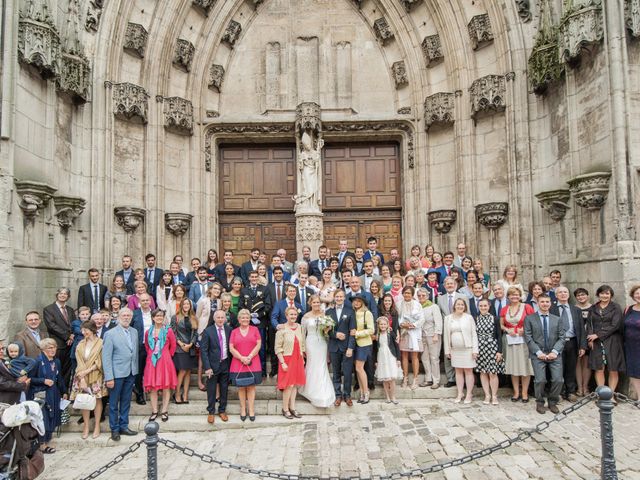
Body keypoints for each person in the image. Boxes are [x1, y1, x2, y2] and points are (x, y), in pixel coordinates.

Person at [102, 307, 139, 441]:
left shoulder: (134, 332)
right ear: (118, 317)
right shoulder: (110, 334)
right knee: (113, 403)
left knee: (126, 401)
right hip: (116, 374)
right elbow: (106, 357)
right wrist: (109, 377)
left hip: (130, 371)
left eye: (128, 315)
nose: (126, 317)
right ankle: (114, 429)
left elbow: (133, 352)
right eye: (124, 315)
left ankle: (124, 425)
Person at [524, 295, 565, 414]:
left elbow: (562, 338)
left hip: (554, 353)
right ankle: (540, 402)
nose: (545, 304)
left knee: (558, 379)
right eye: (542, 302)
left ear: (551, 303)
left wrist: (555, 352)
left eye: (547, 302)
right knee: (540, 380)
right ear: (538, 303)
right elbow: (528, 337)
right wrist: (538, 352)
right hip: (538, 354)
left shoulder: (557, 319)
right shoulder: (530, 318)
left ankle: (552, 402)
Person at [587, 285, 625, 399]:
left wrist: (597, 335)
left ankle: (611, 395)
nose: (604, 295)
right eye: (602, 293)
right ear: (598, 295)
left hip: (613, 341)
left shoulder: (616, 307)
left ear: (611, 295)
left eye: (607, 293)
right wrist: (590, 338)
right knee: (599, 368)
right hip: (596, 342)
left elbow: (615, 325)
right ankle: (601, 394)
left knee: (613, 369)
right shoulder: (593, 308)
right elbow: (589, 324)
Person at [70, 320, 106, 439]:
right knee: (84, 400)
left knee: (97, 400)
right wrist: (82, 377)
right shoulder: (80, 343)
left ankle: (97, 426)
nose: (83, 332)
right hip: (82, 376)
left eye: (86, 330)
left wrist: (87, 371)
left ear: (92, 330)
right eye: (83, 330)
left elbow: (100, 361)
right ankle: (86, 426)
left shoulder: (100, 343)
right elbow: (79, 360)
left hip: (95, 375)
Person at [298, 296, 336, 408]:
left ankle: (323, 392)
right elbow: (302, 333)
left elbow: (326, 332)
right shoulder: (305, 316)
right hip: (310, 343)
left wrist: (327, 329)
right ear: (310, 303)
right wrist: (303, 348)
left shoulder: (324, 315)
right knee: (312, 365)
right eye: (314, 302)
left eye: (318, 302)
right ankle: (310, 391)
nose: (316, 304)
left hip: (322, 343)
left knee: (322, 365)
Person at [30, 338, 66, 454]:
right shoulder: (37, 361)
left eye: (54, 347)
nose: (52, 349)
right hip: (42, 394)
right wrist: (43, 380)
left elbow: (59, 378)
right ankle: (42, 445)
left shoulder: (56, 362)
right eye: (49, 347)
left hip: (54, 392)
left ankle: (47, 442)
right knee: (44, 418)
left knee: (53, 417)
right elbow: (30, 379)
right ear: (43, 349)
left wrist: (64, 391)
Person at [551, 286, 587, 402]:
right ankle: (559, 392)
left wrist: (582, 345)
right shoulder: (551, 309)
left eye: (565, 292)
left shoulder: (575, 310)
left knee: (571, 368)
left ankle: (570, 391)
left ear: (569, 294)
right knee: (558, 368)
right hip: (557, 343)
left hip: (572, 341)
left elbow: (581, 328)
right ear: (556, 295)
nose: (563, 294)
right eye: (560, 292)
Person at [500, 287, 534, 402]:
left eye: (516, 294)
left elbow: (533, 322)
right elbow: (501, 325)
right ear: (508, 297)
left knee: (525, 366)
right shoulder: (504, 309)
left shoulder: (527, 307)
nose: (514, 297)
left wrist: (524, 329)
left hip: (523, 341)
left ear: (520, 296)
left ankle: (524, 392)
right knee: (513, 366)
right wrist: (507, 329)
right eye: (511, 295)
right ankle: (516, 392)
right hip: (510, 341)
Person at [143, 309, 177, 422]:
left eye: (161, 316)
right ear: (153, 318)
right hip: (152, 362)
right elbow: (147, 347)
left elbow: (173, 346)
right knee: (153, 388)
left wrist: (166, 356)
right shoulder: (148, 332)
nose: (159, 318)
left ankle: (164, 410)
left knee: (166, 386)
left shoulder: (169, 331)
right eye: (157, 316)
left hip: (165, 361)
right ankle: (154, 410)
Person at [229, 309, 262, 421]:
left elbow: (258, 344)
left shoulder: (255, 329)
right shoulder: (234, 332)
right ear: (239, 319)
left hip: (253, 362)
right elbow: (231, 347)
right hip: (238, 362)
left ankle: (251, 409)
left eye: (247, 317)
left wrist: (249, 357)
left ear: (250, 319)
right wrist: (241, 358)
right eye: (243, 317)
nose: (245, 319)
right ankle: (243, 409)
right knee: (241, 387)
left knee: (251, 387)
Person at [443, 298, 478, 404]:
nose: (460, 306)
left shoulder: (469, 317)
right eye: (458, 304)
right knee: (458, 371)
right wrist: (447, 350)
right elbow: (446, 335)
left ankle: (469, 394)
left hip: (468, 349)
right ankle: (460, 393)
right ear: (454, 306)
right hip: (455, 349)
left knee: (468, 371)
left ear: (465, 306)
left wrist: (475, 350)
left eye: (462, 305)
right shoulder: (448, 318)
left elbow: (474, 334)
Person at [437, 277, 470, 388]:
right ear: (444, 286)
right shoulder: (440, 298)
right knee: (448, 353)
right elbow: (440, 315)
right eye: (447, 284)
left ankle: (463, 378)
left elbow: (468, 313)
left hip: (461, 328)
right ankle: (451, 378)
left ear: (455, 285)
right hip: (446, 328)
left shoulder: (463, 297)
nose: (450, 285)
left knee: (462, 352)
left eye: (451, 283)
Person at [201, 310, 232, 423]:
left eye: (222, 317)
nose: (220, 319)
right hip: (212, 365)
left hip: (225, 363)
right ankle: (211, 411)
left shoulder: (229, 330)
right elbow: (203, 351)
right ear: (214, 319)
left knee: (224, 388)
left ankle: (222, 410)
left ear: (225, 319)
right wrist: (207, 367)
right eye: (218, 317)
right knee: (212, 389)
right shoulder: (208, 331)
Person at [275, 307, 307, 419]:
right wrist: (282, 362)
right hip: (287, 359)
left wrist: (303, 357)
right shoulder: (281, 329)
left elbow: (302, 343)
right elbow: (277, 348)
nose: (293, 316)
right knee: (288, 385)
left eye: (294, 314)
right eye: (290, 315)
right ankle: (285, 409)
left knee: (295, 385)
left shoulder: (300, 327)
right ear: (286, 316)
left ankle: (292, 407)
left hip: (298, 359)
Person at [326, 290, 356, 406]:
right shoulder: (328, 312)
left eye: (341, 296)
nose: (339, 298)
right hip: (334, 347)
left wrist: (350, 348)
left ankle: (347, 395)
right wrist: (335, 335)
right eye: (337, 296)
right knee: (336, 372)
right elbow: (326, 331)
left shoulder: (350, 311)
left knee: (348, 372)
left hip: (346, 347)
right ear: (334, 298)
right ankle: (338, 395)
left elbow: (353, 332)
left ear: (344, 298)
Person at [43, 287, 76, 389]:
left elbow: (74, 325)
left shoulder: (70, 310)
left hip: (70, 345)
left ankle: (64, 391)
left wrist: (72, 336)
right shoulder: (48, 309)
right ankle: (55, 391)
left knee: (67, 371)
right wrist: (67, 336)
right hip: (57, 345)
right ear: (57, 295)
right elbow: (52, 326)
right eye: (61, 293)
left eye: (65, 294)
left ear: (68, 296)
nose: (63, 295)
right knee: (56, 369)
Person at [474, 299, 503, 405]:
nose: (483, 308)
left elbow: (499, 335)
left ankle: (494, 395)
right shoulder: (476, 318)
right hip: (480, 347)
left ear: (489, 306)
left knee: (492, 372)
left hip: (492, 347)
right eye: (481, 306)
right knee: (483, 372)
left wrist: (499, 351)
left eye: (485, 305)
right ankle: (487, 395)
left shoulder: (494, 318)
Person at [395, 286, 424, 390]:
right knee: (404, 356)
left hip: (414, 332)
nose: (407, 295)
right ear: (402, 294)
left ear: (412, 294)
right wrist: (402, 324)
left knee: (415, 356)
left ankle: (415, 379)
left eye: (409, 293)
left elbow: (422, 319)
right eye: (405, 293)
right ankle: (405, 378)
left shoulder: (417, 304)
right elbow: (397, 317)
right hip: (404, 333)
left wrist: (412, 325)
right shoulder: (398, 304)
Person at [171, 298, 197, 404]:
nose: (186, 305)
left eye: (188, 304)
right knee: (182, 370)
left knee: (188, 372)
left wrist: (190, 344)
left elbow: (195, 333)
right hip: (180, 348)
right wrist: (181, 344)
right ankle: (177, 393)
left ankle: (185, 394)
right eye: (184, 303)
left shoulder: (193, 317)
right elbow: (173, 333)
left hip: (190, 348)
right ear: (181, 305)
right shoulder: (175, 317)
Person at [417, 288, 443, 389]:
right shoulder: (418, 307)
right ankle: (428, 379)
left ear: (427, 296)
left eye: (423, 295)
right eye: (419, 296)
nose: (421, 297)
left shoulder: (434, 307)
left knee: (434, 358)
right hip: (422, 335)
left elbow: (438, 321)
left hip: (433, 335)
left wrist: (437, 334)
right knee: (424, 357)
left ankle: (436, 380)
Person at [131, 293, 153, 406]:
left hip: (153, 347)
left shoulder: (154, 313)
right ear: (139, 302)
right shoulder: (134, 314)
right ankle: (139, 394)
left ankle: (153, 391)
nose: (145, 302)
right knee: (139, 371)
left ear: (150, 301)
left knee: (151, 369)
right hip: (140, 346)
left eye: (147, 300)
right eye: (143, 300)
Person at [352, 294, 375, 404]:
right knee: (357, 369)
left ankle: (366, 392)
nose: (356, 303)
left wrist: (357, 333)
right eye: (355, 301)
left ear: (362, 303)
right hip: (354, 344)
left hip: (364, 343)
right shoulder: (353, 313)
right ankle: (361, 392)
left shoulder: (367, 313)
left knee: (360, 367)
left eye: (358, 301)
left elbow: (371, 330)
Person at [374, 316, 401, 403]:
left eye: (384, 324)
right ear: (378, 325)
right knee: (385, 379)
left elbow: (396, 346)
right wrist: (376, 361)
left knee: (392, 379)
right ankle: (387, 397)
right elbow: (375, 349)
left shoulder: (391, 333)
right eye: (381, 324)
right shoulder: (377, 335)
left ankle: (393, 396)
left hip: (391, 356)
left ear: (387, 325)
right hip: (381, 357)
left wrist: (398, 359)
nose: (382, 326)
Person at [574, 287, 593, 397]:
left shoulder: (593, 308)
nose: (581, 297)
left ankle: (585, 386)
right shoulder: (574, 308)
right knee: (577, 362)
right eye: (578, 295)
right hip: (577, 338)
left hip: (589, 338)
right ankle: (579, 387)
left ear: (587, 296)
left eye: (583, 295)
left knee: (586, 363)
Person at [624, 285, 640, 401]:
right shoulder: (628, 309)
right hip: (631, 346)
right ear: (633, 295)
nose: (639, 296)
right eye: (637, 293)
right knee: (634, 371)